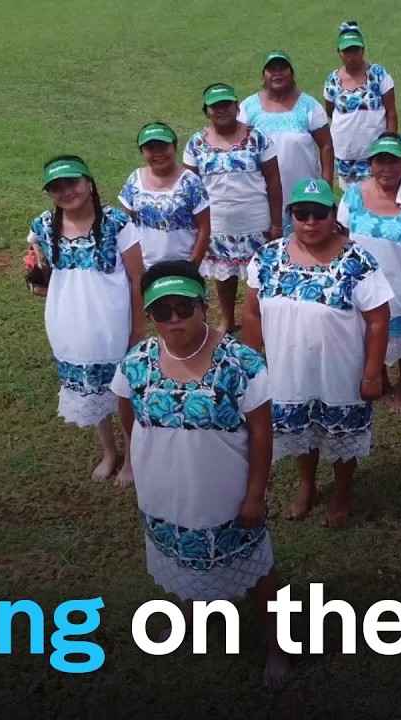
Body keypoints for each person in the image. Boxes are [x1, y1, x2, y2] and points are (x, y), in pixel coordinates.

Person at [111, 260, 288, 686]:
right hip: (165, 495)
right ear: (149, 314)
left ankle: (279, 646)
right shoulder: (136, 362)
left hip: (225, 496)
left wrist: (255, 494)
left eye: (184, 308)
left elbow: (262, 433)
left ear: (203, 307)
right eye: (162, 311)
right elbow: (127, 412)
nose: (174, 320)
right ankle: (197, 614)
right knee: (181, 561)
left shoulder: (241, 364)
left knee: (258, 575)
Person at [244, 178, 392, 528]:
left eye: (319, 213)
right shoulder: (268, 257)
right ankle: (307, 484)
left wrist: (372, 373)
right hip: (287, 369)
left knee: (341, 435)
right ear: (291, 215)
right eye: (302, 213)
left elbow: (378, 319)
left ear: (332, 215)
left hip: (339, 372)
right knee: (300, 431)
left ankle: (342, 489)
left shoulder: (356, 260)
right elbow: (251, 310)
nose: (310, 221)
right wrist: (251, 360)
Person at [26, 155, 144, 481]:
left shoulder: (118, 223)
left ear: (89, 183)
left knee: (122, 393)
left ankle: (133, 457)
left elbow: (137, 278)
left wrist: (137, 328)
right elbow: (42, 269)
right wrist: (39, 279)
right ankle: (109, 451)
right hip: (68, 322)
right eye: (56, 187)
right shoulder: (43, 226)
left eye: (72, 183)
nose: (66, 191)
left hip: (112, 323)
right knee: (89, 392)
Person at [337, 133, 401, 413]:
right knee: (370, 331)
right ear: (371, 164)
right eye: (380, 161)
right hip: (363, 284)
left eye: (393, 162)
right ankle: (379, 375)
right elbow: (342, 239)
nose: (387, 169)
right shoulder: (353, 195)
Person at [183, 82, 282, 333]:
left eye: (226, 104)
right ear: (206, 110)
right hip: (217, 224)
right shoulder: (196, 143)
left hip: (256, 222)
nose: (221, 110)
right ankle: (228, 319)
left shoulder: (258, 138)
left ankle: (261, 323)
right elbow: (189, 188)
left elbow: (273, 180)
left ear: (237, 107)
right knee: (224, 275)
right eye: (215, 106)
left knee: (260, 276)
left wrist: (277, 222)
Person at [239, 51, 334, 235]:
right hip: (261, 195)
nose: (277, 73)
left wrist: (326, 187)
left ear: (292, 73)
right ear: (264, 75)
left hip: (304, 195)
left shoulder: (309, 105)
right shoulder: (248, 108)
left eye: (282, 68)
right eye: (271, 69)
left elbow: (326, 146)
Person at [118, 122, 212, 268]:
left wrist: (192, 267)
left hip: (182, 267)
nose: (158, 153)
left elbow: (204, 228)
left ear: (174, 147)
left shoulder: (191, 181)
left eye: (163, 146)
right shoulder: (134, 180)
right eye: (150, 148)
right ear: (142, 151)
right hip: (145, 268)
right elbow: (125, 227)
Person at [323, 21, 398, 190]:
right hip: (345, 154)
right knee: (351, 201)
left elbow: (391, 113)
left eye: (355, 50)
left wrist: (390, 148)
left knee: (377, 195)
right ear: (339, 52)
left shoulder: (379, 74)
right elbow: (330, 110)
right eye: (346, 51)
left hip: (374, 153)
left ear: (363, 50)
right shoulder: (332, 80)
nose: (351, 55)